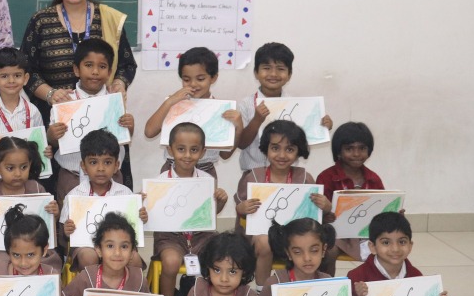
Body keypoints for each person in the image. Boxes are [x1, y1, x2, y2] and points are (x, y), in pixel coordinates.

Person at [21, 0, 136, 124]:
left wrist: (119, 84)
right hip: (56, 120)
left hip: (103, 116)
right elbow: (26, 70)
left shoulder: (109, 18)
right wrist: (51, 94)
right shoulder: (40, 21)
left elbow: (126, 64)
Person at [233, 120, 332, 285]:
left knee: (313, 241)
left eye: (290, 149)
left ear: (298, 152)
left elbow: (314, 217)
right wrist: (241, 208)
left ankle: (312, 286)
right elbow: (241, 211)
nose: (282, 155)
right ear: (266, 149)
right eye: (275, 148)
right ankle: (262, 289)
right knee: (264, 242)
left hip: (295, 237)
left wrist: (326, 207)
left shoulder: (305, 179)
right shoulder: (253, 177)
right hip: (260, 238)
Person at [154, 122, 228, 296]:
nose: (187, 155)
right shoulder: (160, 182)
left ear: (203, 152)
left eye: (194, 150)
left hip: (201, 236)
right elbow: (154, 215)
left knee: (218, 257)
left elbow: (211, 213)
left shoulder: (206, 180)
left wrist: (220, 200)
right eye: (181, 149)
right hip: (171, 236)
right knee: (170, 261)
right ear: (169, 150)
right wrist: (145, 209)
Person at [48, 38, 135, 200]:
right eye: (88, 65)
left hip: (111, 178)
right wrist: (52, 134)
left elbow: (125, 138)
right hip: (71, 177)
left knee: (114, 221)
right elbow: (53, 142)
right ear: (76, 70)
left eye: (102, 67)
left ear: (109, 72)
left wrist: (129, 126)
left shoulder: (115, 101)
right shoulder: (64, 102)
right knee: (71, 223)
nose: (95, 72)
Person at [143, 47, 243, 177]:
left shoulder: (220, 110)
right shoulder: (174, 103)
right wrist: (169, 102)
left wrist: (239, 129)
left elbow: (225, 154)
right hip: (172, 169)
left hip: (206, 171)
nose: (193, 84)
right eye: (186, 79)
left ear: (213, 78)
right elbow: (149, 132)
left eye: (200, 79)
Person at [236, 42, 332, 173]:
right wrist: (257, 120)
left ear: (289, 75)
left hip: (288, 175)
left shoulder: (298, 107)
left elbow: (303, 143)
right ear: (256, 73)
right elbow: (241, 144)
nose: (273, 74)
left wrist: (322, 128)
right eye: (266, 68)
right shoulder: (246, 104)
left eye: (281, 69)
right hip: (253, 173)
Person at [0, 136, 61, 272]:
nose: (18, 173)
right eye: (10, 168)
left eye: (24, 167)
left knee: (48, 262)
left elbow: (48, 226)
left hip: (34, 251)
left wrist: (55, 213)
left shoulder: (37, 189)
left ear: (30, 164)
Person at [59, 130, 146, 270]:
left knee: (134, 258)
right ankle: (94, 291)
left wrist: (141, 218)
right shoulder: (74, 196)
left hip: (117, 246)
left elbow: (133, 229)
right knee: (89, 257)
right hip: (85, 246)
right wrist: (67, 230)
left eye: (107, 162)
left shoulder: (125, 194)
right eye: (93, 162)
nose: (100, 168)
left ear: (116, 166)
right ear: (83, 166)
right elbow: (64, 234)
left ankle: (128, 291)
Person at [316, 121, 388, 269]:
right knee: (329, 250)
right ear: (338, 151)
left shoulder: (373, 179)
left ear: (369, 150)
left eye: (362, 148)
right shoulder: (326, 177)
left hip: (366, 234)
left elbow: (381, 210)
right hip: (336, 234)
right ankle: (327, 286)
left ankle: (378, 287)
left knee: (390, 247)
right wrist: (327, 210)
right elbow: (316, 216)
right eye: (349, 149)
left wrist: (393, 213)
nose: (356, 154)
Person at [0, 47, 45, 139]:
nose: (11, 81)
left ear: (26, 78)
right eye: (4, 76)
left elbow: (39, 146)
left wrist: (45, 151)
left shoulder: (33, 111)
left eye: (17, 75)